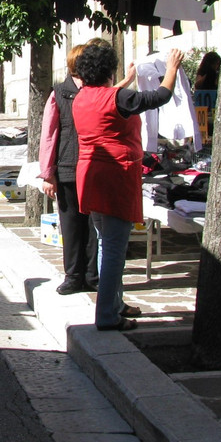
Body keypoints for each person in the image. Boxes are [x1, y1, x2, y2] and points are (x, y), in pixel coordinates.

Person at [73, 43, 182, 331]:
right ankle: (107, 315)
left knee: (102, 241)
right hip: (115, 176)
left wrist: (125, 82)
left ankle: (115, 304)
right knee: (113, 249)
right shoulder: (119, 97)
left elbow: (109, 98)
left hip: (90, 176)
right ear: (108, 71)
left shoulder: (81, 97)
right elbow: (160, 96)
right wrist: (171, 69)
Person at [39, 42, 104, 295]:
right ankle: (73, 276)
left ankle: (92, 276)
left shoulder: (98, 91)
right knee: (71, 225)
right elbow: (49, 134)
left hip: (94, 169)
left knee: (92, 226)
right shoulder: (59, 92)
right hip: (67, 167)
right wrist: (48, 173)